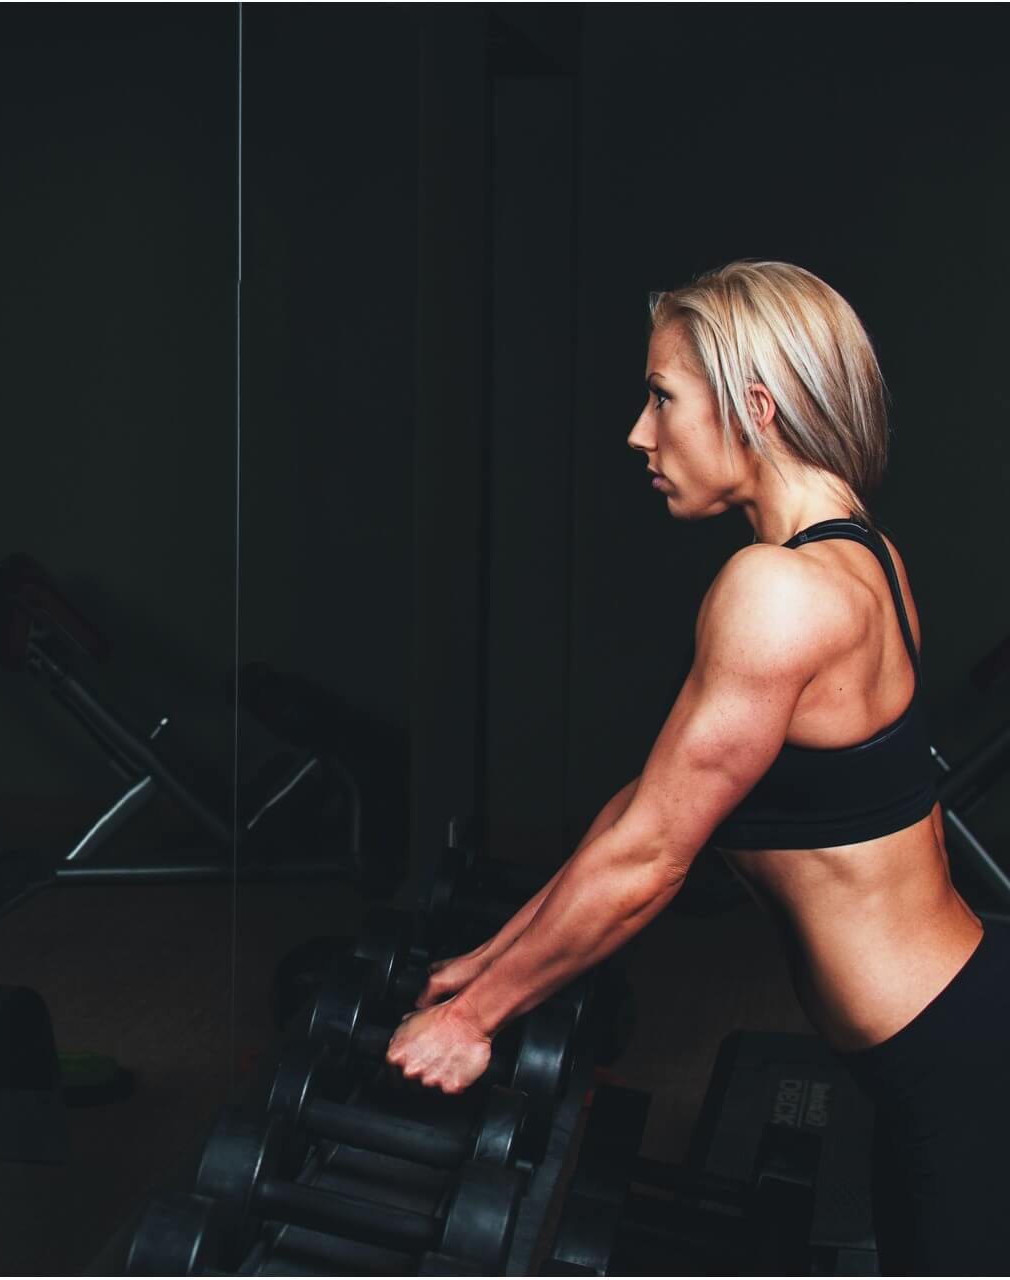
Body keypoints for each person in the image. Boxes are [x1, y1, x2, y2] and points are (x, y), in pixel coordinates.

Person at [384, 260, 1007, 1273]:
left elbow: (657, 857)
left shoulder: (778, 589)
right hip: (946, 1036)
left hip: (954, 1061)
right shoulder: (868, 559)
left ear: (755, 406)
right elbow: (647, 805)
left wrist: (474, 1022)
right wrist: (496, 960)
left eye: (663, 397)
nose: (640, 432)